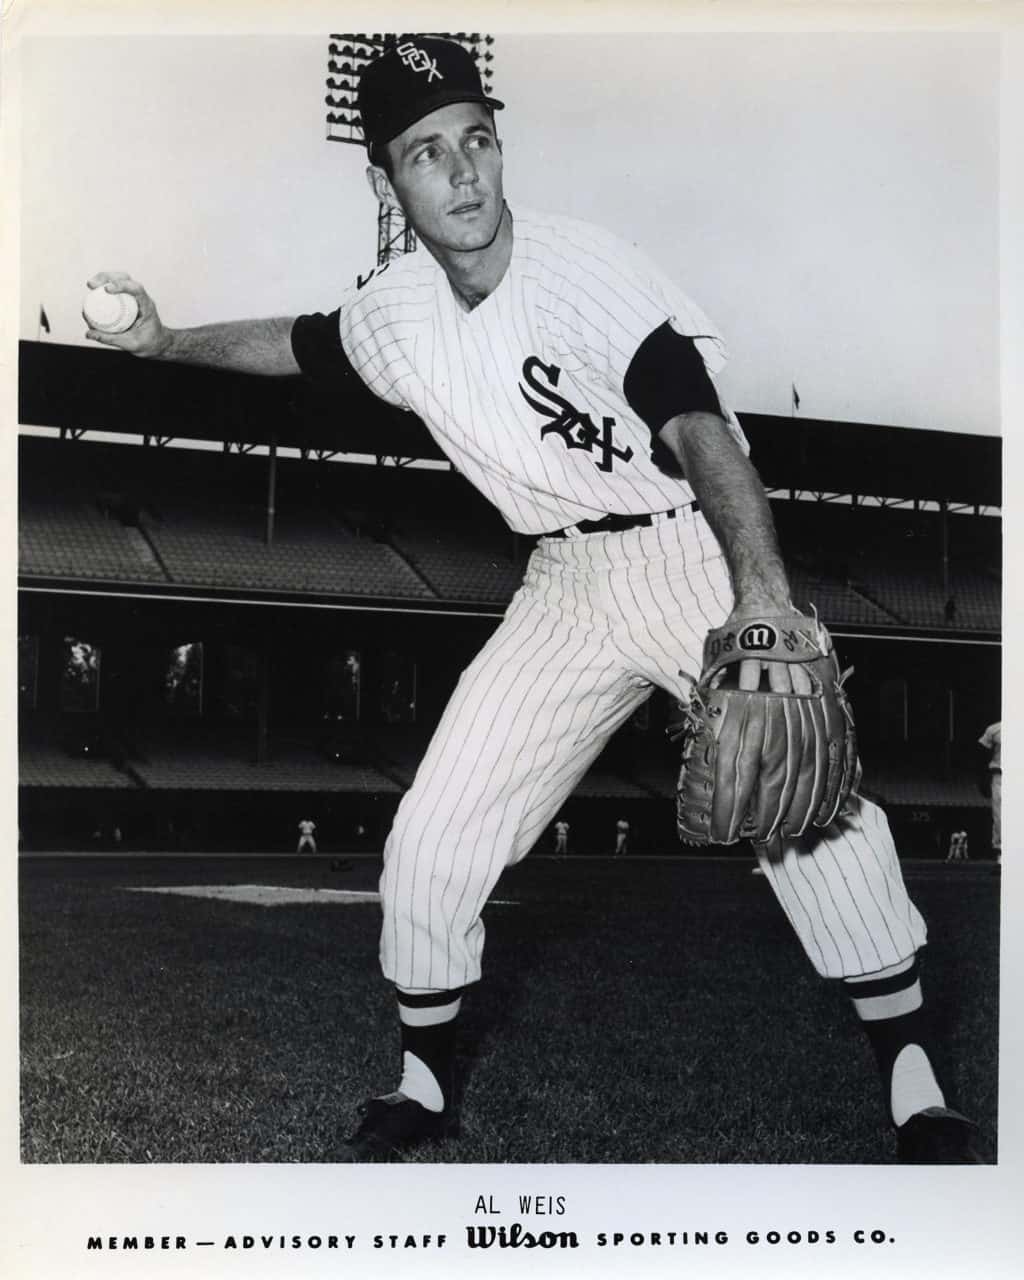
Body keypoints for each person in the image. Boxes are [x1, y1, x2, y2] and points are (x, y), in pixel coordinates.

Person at [84, 37, 983, 1165]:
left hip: (682, 550)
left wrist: (757, 596)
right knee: (433, 834)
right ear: (386, 184)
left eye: (477, 141)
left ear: (500, 151)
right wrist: (166, 339)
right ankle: (419, 1077)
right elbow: (300, 345)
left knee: (805, 809)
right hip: (560, 583)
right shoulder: (396, 315)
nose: (460, 173)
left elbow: (702, 434)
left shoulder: (586, 275)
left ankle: (913, 1079)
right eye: (426, 153)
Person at [978, 721, 1001, 861]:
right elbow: (981, 754)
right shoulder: (994, 729)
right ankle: (1000, 856)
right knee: (999, 816)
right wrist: (983, 778)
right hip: (1000, 775)